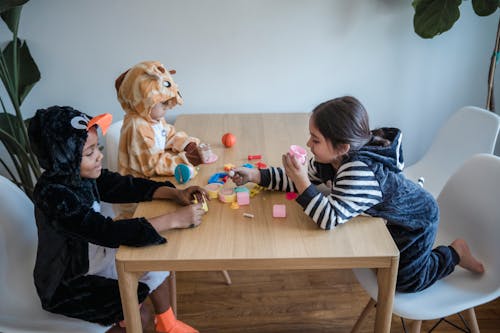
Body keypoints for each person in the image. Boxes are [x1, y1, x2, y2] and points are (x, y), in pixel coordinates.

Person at [231, 96, 484, 293]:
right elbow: (302, 179)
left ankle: (454, 253)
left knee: (405, 281)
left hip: (416, 222)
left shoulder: (359, 172)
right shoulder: (330, 158)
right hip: (390, 218)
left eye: (315, 139)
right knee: (381, 266)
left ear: (342, 147)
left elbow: (328, 218)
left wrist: (301, 181)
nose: (308, 144)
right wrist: (256, 176)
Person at [28, 106, 206, 333]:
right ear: (65, 160)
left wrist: (173, 193)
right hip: (68, 282)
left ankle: (167, 324)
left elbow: (122, 186)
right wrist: (173, 220)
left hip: (95, 255)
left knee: (158, 263)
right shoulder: (53, 196)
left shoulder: (82, 175)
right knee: (139, 314)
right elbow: (107, 232)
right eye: (90, 152)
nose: (99, 156)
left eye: (97, 148)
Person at [115, 60, 206, 179]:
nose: (167, 108)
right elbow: (152, 165)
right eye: (163, 104)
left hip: (153, 179)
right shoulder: (137, 126)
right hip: (139, 185)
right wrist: (184, 160)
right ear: (144, 100)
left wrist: (188, 145)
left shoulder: (154, 118)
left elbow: (169, 136)